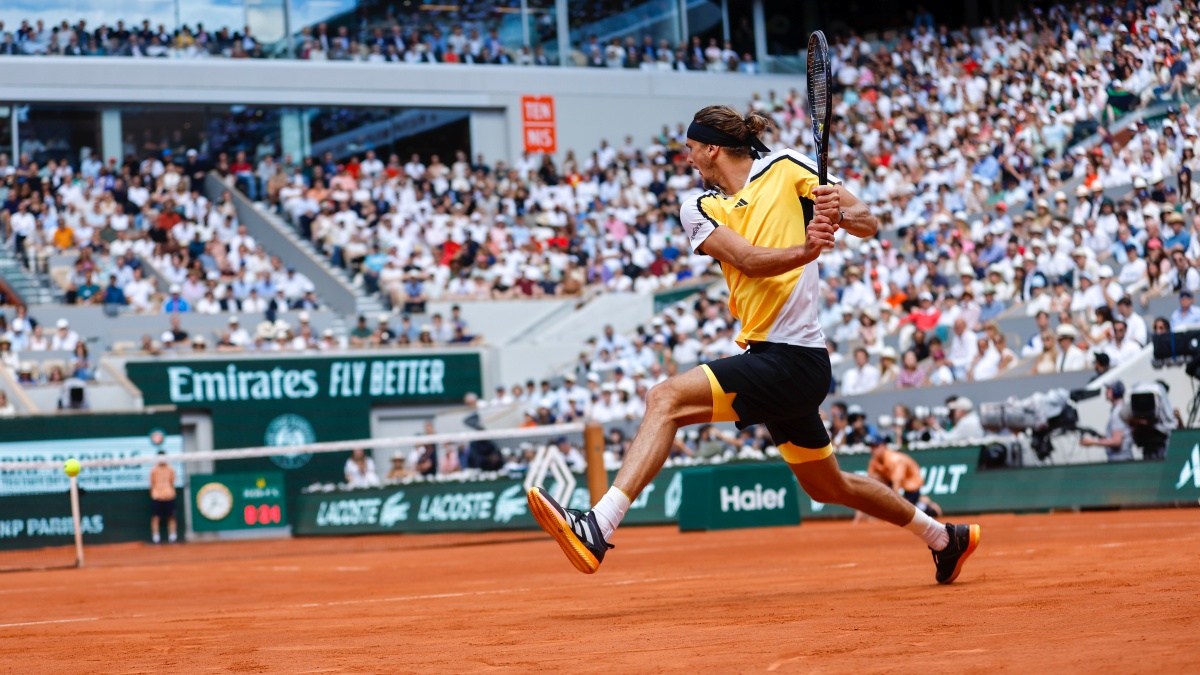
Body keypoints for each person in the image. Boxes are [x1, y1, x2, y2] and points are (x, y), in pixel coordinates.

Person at [527, 105, 979, 583]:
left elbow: (868, 221)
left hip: (795, 359)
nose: (688, 159)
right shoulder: (699, 207)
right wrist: (806, 249)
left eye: (691, 148)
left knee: (665, 399)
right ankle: (944, 539)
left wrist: (838, 213)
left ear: (712, 148)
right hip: (771, 362)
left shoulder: (786, 166)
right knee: (830, 486)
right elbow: (747, 259)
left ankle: (597, 526)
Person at [861, 435, 941, 522]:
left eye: (876, 446)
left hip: (912, 484)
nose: (873, 450)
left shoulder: (895, 460)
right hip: (892, 481)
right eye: (871, 447)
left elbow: (896, 488)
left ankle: (925, 505)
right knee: (875, 478)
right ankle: (919, 501)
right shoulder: (874, 461)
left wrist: (890, 510)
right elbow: (868, 485)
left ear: (884, 446)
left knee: (909, 513)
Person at [1081, 381, 1134, 462]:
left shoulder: (1117, 413)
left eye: (1109, 389)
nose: (1106, 392)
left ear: (1116, 392)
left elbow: (1117, 442)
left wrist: (1092, 442)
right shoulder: (1120, 408)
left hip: (1120, 461)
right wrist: (1101, 436)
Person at [149, 451, 178, 544]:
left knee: (172, 516)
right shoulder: (153, 470)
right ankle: (156, 537)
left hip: (169, 495)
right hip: (157, 496)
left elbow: (172, 481)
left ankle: (173, 536)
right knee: (156, 517)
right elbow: (152, 482)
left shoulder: (170, 469)